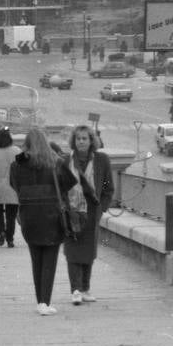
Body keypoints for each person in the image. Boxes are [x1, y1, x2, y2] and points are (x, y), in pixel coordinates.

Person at [10, 127, 78, 316]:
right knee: (50, 260)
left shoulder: (17, 165)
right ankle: (44, 302)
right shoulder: (56, 163)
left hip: (29, 217)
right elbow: (70, 183)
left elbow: (14, 185)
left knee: (36, 260)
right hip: (52, 216)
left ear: (27, 144)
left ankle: (40, 300)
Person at [62, 125, 115, 305]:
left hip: (92, 212)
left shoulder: (102, 160)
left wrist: (102, 208)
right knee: (72, 252)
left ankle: (85, 288)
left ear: (91, 140)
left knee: (88, 252)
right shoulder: (65, 161)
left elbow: (109, 187)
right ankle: (75, 290)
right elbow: (59, 186)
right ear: (73, 141)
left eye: (85, 138)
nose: (81, 142)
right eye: (78, 138)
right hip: (72, 212)